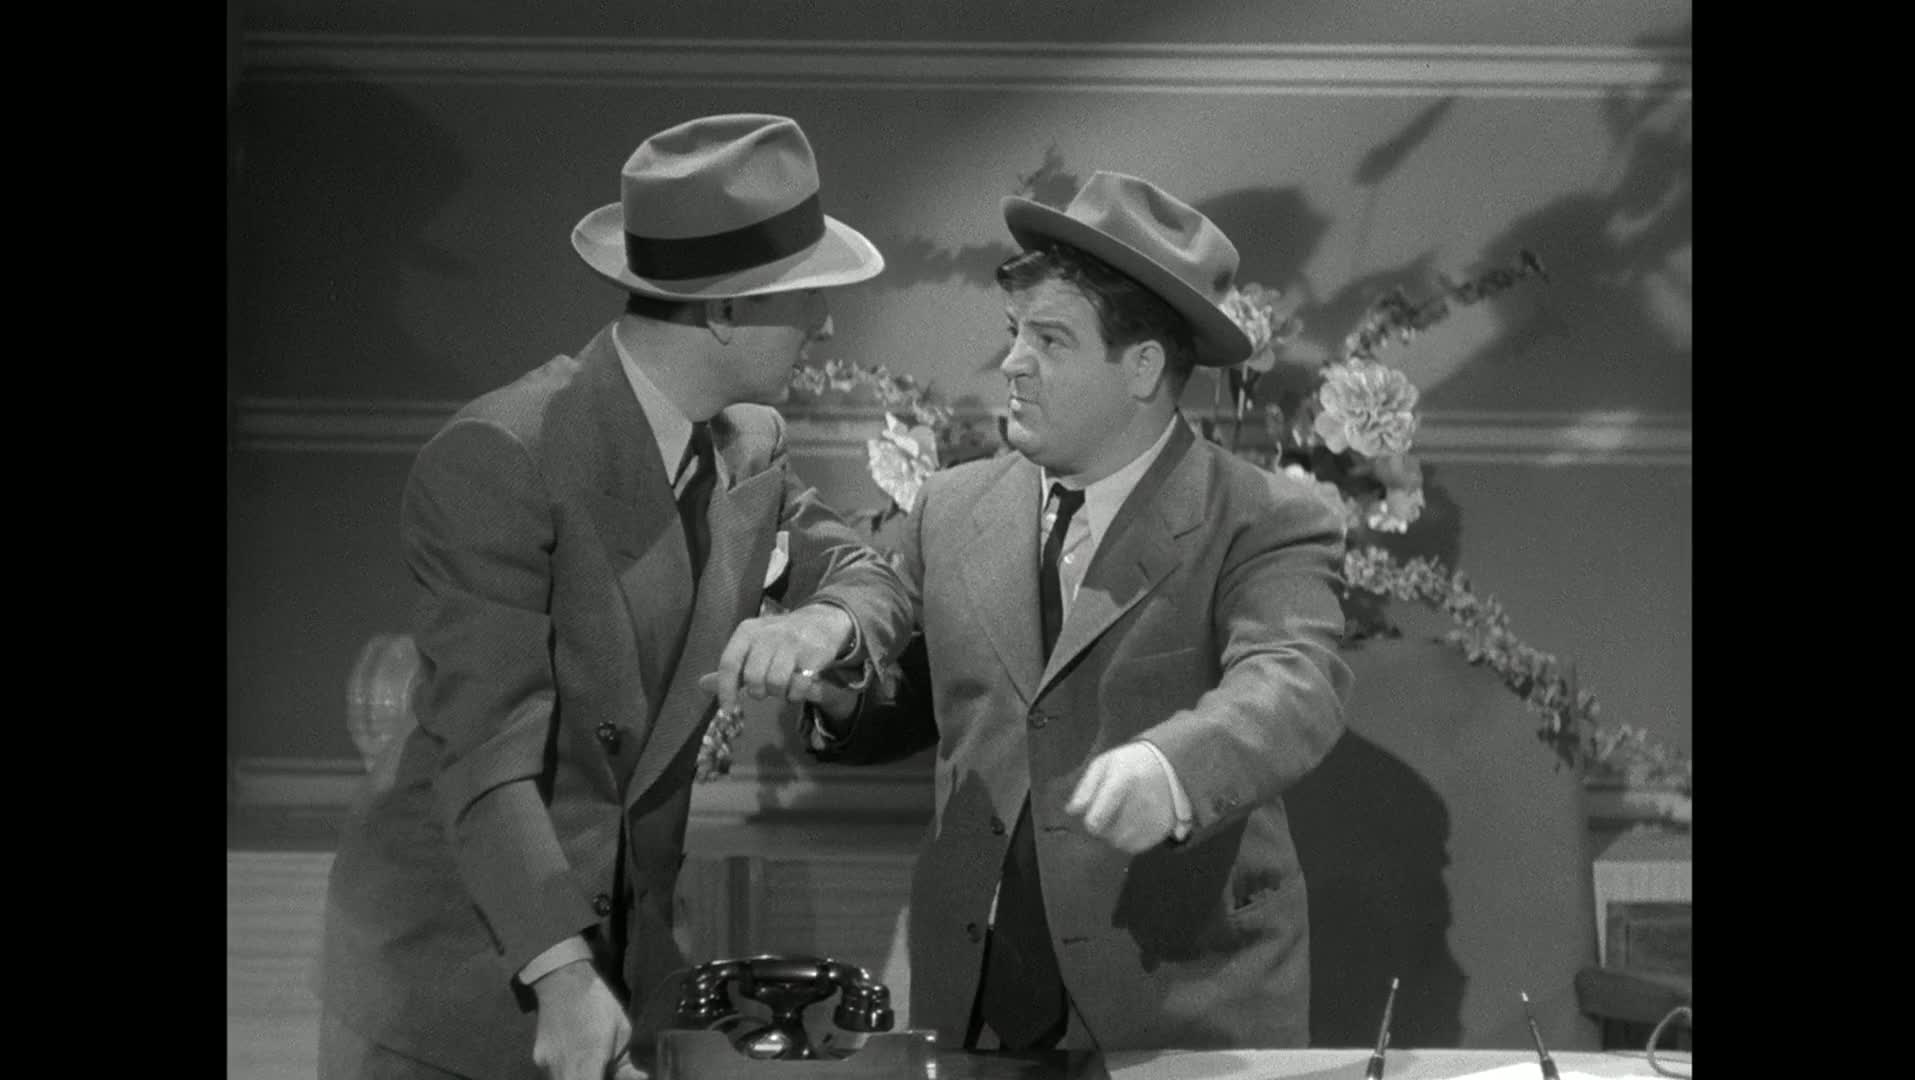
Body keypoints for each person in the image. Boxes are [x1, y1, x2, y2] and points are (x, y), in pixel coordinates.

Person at [318, 113, 915, 1080]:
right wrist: (562, 977)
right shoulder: (501, 456)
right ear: (726, 313)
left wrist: (826, 618)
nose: (826, 323)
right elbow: (486, 755)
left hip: (622, 969)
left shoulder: (747, 446)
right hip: (462, 977)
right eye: (809, 294)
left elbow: (871, 576)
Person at [805, 171, 1354, 1051]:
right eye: (1015, 333)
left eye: (1050, 339)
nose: (1013, 363)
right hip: (975, 1005)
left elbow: (1295, 682)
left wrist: (1172, 768)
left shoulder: (1261, 519)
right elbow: (944, 702)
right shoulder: (952, 506)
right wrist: (841, 696)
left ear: (1142, 367)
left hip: (1178, 1009)